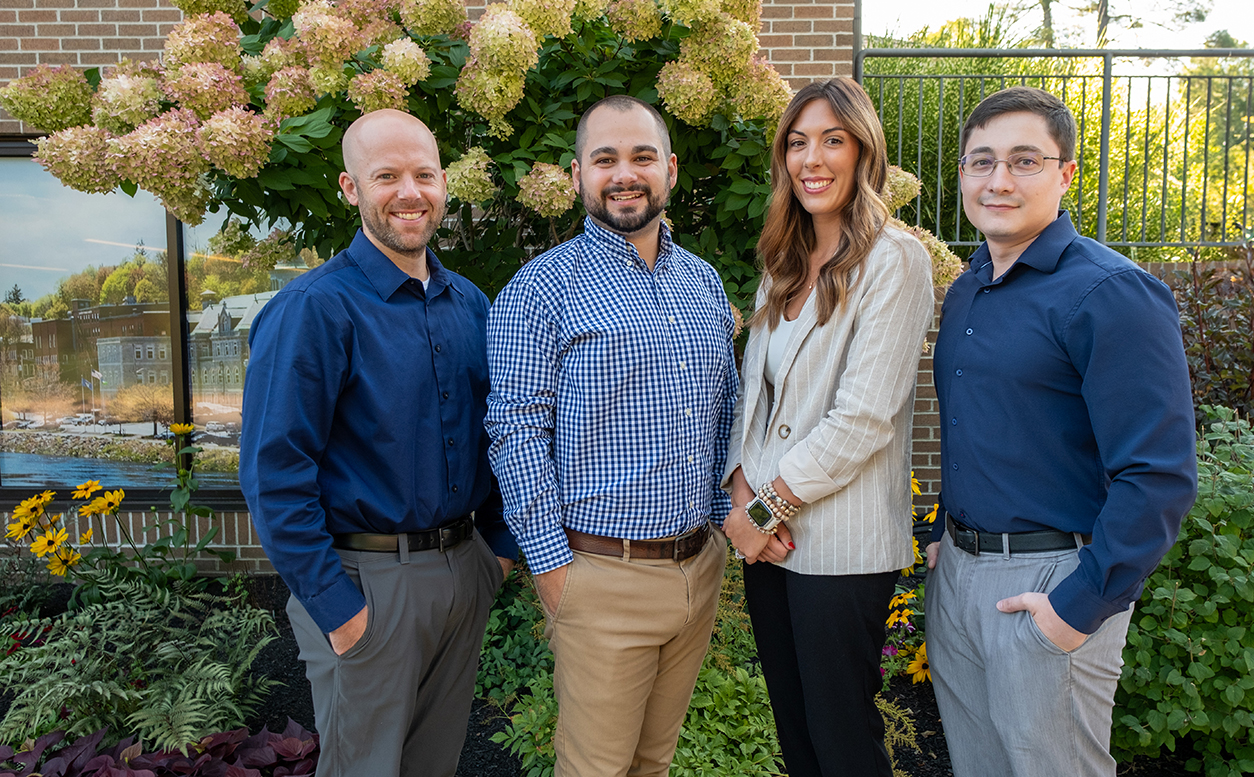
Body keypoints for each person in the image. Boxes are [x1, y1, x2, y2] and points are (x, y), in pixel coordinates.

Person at [925, 86, 1198, 776]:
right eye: (982, 161)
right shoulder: (969, 287)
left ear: (1066, 173)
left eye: (1025, 160)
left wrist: (1079, 605)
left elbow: (1159, 474)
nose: (999, 180)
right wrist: (943, 537)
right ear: (962, 174)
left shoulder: (1110, 292)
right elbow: (975, 426)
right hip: (958, 575)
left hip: (1050, 581)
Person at [240, 109, 518, 777]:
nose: (409, 192)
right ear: (351, 187)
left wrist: (498, 554)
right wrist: (338, 610)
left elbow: (500, 434)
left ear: (443, 183)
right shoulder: (314, 309)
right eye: (387, 176)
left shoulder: (471, 305)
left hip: (463, 571)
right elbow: (274, 475)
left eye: (424, 174)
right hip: (366, 583)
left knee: (433, 766)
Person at [484, 95, 738, 777]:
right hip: (599, 576)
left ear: (670, 170)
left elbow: (723, 412)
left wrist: (722, 522)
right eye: (605, 159)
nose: (624, 174)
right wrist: (553, 572)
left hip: (697, 567)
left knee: (653, 762)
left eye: (642, 156)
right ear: (578, 176)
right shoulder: (541, 289)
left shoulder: (702, 282)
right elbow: (515, 431)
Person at [723, 77, 937, 777]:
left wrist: (763, 510)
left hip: (840, 546)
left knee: (842, 742)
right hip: (768, 541)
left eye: (832, 140)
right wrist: (740, 498)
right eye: (797, 142)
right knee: (797, 736)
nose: (811, 159)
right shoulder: (782, 261)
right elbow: (753, 397)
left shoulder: (895, 260)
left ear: (863, 151)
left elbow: (864, 416)